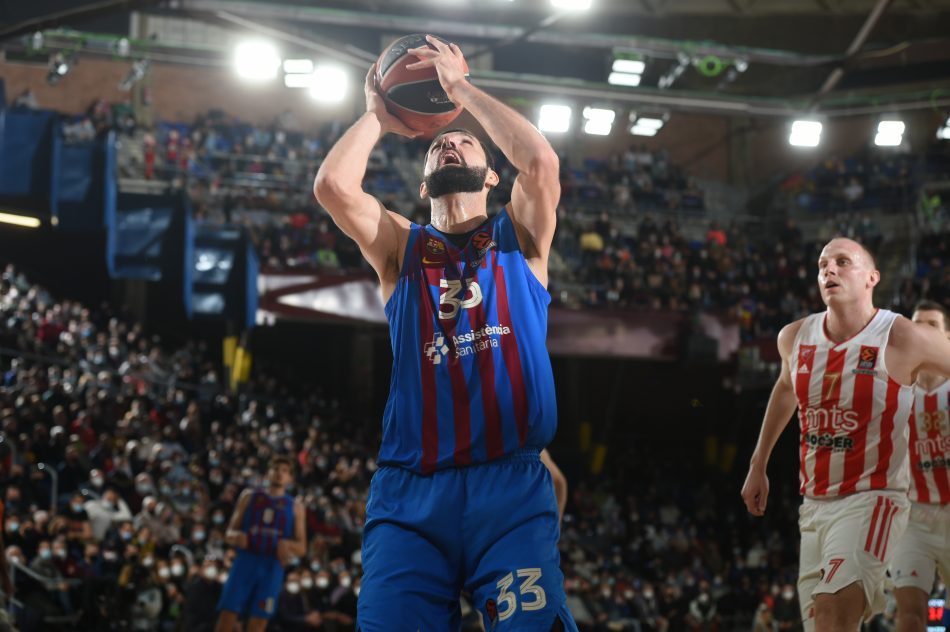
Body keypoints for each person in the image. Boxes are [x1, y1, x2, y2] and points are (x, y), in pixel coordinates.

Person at [314, 34, 576, 631]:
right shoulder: (399, 247)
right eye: (438, 144)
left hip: (509, 489)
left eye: (464, 140)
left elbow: (540, 162)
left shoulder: (521, 238)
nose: (450, 142)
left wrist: (460, 90)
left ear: (492, 178)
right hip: (412, 494)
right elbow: (333, 188)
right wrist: (379, 116)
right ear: (423, 181)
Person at [740, 238, 950, 632]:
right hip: (815, 504)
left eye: (842, 262)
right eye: (822, 264)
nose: (829, 270)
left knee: (833, 614)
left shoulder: (901, 335)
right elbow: (786, 388)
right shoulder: (794, 337)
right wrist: (758, 463)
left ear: (872, 278)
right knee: (825, 623)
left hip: (873, 498)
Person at [890, 301, 950, 632]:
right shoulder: (892, 386)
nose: (924, 331)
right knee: (911, 616)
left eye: (932, 325)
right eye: (918, 324)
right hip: (914, 517)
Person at [215, 456, 306, 632]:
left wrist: (288, 545)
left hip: (272, 567)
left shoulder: (296, 507)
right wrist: (237, 536)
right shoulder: (249, 497)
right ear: (268, 473)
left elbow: (302, 548)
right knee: (227, 616)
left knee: (259, 623)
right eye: (276, 469)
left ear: (290, 478)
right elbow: (229, 533)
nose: (279, 473)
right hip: (245, 561)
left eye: (284, 471)